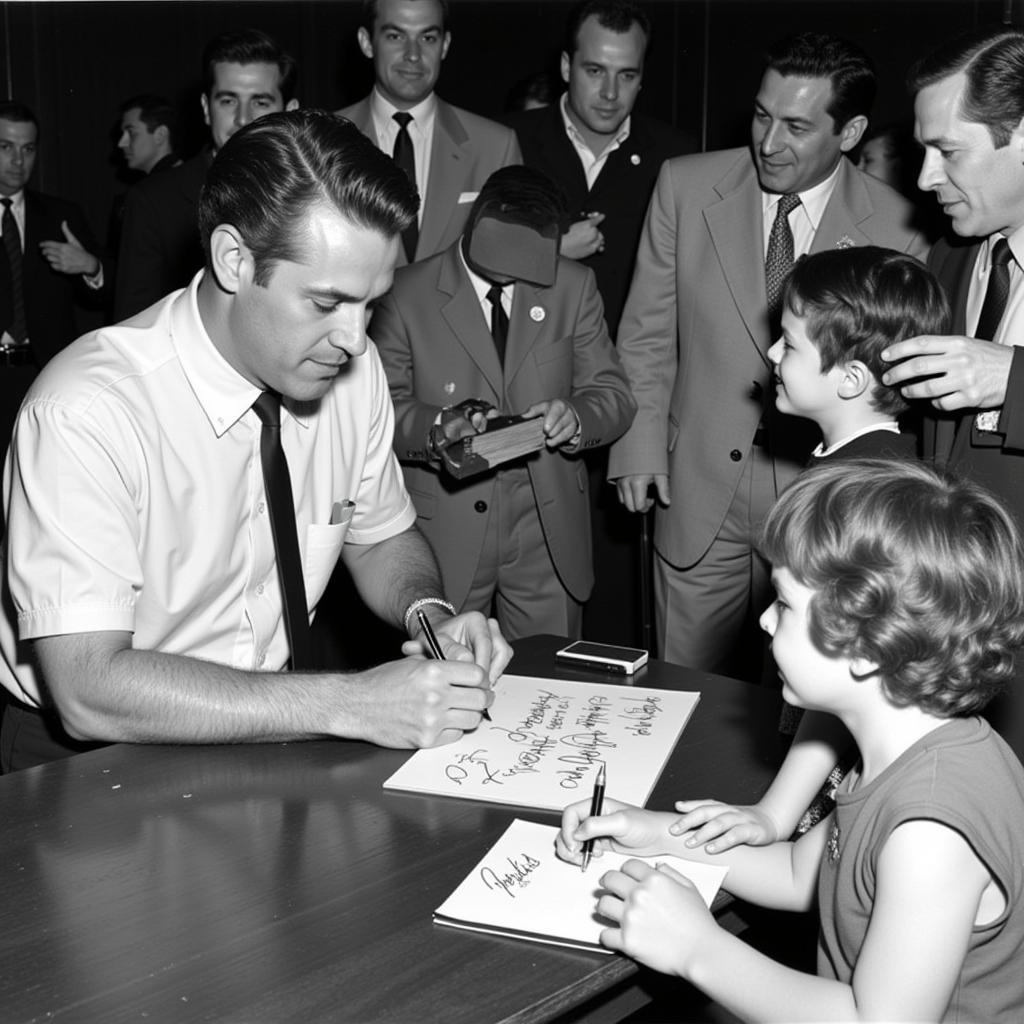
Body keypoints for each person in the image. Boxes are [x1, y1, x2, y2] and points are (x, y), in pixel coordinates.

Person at [0, 109, 510, 773]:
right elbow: (89, 688)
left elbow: (380, 535)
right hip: (89, 755)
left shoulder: (351, 375)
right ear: (235, 261)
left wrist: (431, 616)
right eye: (327, 303)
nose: (357, 341)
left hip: (272, 722)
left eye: (371, 303)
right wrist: (352, 704)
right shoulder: (87, 410)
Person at [559, 459, 1024, 1023]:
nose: (763, 621)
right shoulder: (894, 752)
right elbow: (801, 875)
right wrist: (653, 833)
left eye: (783, 604)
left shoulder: (929, 830)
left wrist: (698, 948)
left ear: (867, 648)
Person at [607, 32, 927, 678]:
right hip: (697, 487)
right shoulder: (685, 186)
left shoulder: (902, 227)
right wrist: (637, 446)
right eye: (761, 115)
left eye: (796, 126)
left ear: (850, 131)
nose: (768, 143)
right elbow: (645, 331)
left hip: (824, 494)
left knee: (805, 691)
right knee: (683, 687)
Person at [373, 165, 636, 641]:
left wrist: (575, 416)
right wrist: (443, 427)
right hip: (445, 528)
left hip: (546, 523)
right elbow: (378, 412)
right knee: (447, 681)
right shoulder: (404, 292)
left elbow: (613, 395)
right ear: (477, 227)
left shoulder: (573, 287)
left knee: (551, 684)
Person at [504, 0, 695, 647]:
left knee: (618, 599)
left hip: (629, 407)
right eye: (594, 71)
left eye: (628, 75)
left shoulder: (674, 157)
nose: (610, 92)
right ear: (565, 67)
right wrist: (550, 248)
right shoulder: (511, 143)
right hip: (529, 405)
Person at [881, 27, 1024, 760]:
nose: (927, 177)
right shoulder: (951, 257)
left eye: (950, 151)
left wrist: (1015, 376)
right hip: (961, 626)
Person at [114, 28, 299, 321]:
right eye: (228, 101)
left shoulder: (312, 196)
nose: (242, 118)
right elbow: (133, 326)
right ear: (206, 108)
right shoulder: (153, 201)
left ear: (289, 111)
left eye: (260, 102)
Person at [338, 0, 521, 266]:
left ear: (445, 44)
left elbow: (510, 259)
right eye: (395, 36)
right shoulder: (324, 141)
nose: (413, 54)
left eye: (427, 37)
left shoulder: (496, 146)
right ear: (367, 42)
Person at [768, 246, 948, 462]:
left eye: (788, 344)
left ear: (851, 378)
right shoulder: (862, 465)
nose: (772, 352)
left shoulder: (861, 489)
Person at [0, 101, 109, 457]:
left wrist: (90, 266)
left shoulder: (61, 216)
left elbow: (106, 297)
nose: (18, 161)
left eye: (27, 149)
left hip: (44, 375)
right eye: (6, 147)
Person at [117, 94, 181, 177]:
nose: (121, 143)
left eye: (131, 132)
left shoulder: (160, 186)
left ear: (160, 135)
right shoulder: (190, 178)